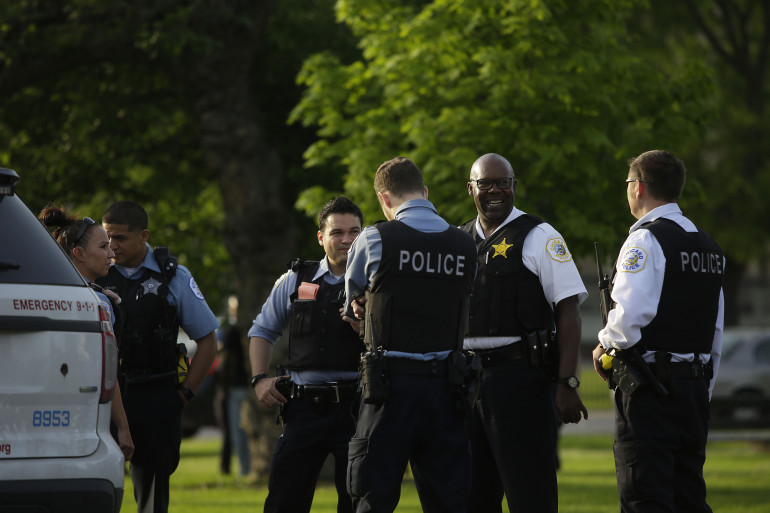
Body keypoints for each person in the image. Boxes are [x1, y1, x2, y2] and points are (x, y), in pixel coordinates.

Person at [592, 150, 724, 513]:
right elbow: (715, 328)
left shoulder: (645, 240)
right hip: (693, 390)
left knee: (645, 497)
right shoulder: (709, 247)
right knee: (689, 498)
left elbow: (630, 317)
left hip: (652, 393)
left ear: (638, 188)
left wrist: (603, 344)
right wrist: (703, 388)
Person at [344, 157, 478, 513]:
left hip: (389, 390)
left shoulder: (374, 238)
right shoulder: (465, 244)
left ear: (384, 199)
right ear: (426, 192)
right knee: (449, 500)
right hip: (446, 391)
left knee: (373, 497)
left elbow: (352, 299)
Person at [460, 153, 588, 513]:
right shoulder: (458, 239)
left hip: (521, 380)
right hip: (466, 383)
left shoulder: (540, 235)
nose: (495, 190)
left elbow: (569, 311)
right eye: (485, 183)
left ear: (515, 186)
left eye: (503, 182)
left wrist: (567, 383)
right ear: (471, 189)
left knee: (529, 493)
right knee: (470, 495)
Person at [95, 200, 219, 513]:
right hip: (104, 398)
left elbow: (207, 340)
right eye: (107, 237)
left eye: (120, 238)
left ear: (144, 235)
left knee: (152, 497)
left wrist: (184, 395)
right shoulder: (94, 274)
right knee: (94, 486)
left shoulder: (172, 276)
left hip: (155, 395)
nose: (112, 246)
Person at [248, 196, 365, 513]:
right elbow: (261, 331)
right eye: (337, 232)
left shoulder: (377, 282)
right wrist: (259, 379)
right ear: (321, 237)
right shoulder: (296, 280)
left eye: (354, 232)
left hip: (358, 410)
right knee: (284, 502)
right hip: (303, 409)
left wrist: (366, 330)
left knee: (359, 503)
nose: (346, 240)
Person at [38, 205, 135, 463]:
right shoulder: (98, 304)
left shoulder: (42, 293)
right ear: (79, 253)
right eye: (103, 247)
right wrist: (123, 428)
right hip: (84, 418)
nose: (112, 253)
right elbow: (105, 370)